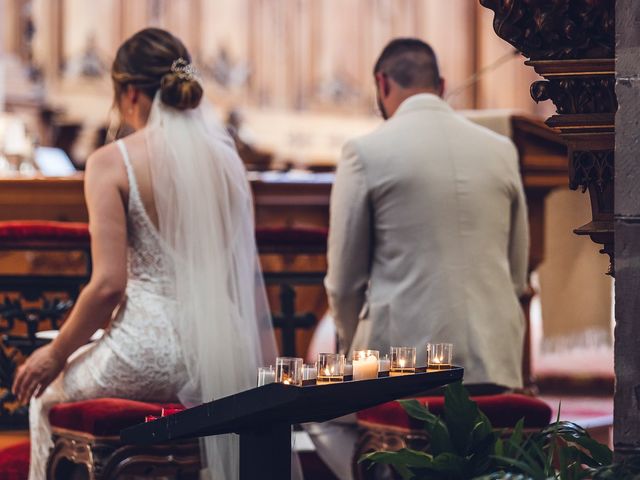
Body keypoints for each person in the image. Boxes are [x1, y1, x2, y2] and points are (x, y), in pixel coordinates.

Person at [12, 28, 277, 480]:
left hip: (147, 351)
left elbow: (109, 286)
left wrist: (54, 355)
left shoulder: (112, 162)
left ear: (129, 92)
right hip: (222, 345)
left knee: (46, 398)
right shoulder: (226, 160)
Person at [311, 38, 529, 479]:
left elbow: (343, 281)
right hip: (496, 358)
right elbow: (518, 267)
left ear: (381, 82)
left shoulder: (365, 152)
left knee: (320, 416)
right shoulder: (500, 149)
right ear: (442, 85)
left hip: (405, 366)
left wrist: (354, 347)